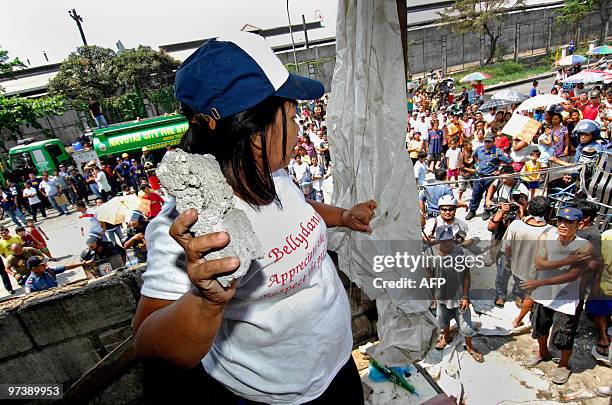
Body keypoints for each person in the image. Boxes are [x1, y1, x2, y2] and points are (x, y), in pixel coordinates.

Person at [133, 32, 375, 404]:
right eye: (293, 117)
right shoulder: (191, 226)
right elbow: (148, 345)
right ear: (256, 132)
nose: (299, 130)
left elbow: (298, 211)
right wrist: (206, 301)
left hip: (335, 365)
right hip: (272, 396)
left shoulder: (272, 173)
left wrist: (342, 216)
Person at [523, 208, 592, 385]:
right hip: (544, 295)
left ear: (579, 225)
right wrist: (568, 261)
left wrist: (546, 273)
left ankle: (563, 365)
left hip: (567, 298)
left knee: (565, 335)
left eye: (569, 222)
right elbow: (539, 262)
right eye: (560, 220)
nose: (563, 225)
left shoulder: (584, 245)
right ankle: (542, 352)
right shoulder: (548, 236)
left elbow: (572, 275)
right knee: (539, 327)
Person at [429, 225, 484, 363]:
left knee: (465, 325)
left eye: (449, 240)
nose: (447, 243)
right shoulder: (430, 254)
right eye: (443, 241)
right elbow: (429, 274)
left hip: (459, 298)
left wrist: (465, 297)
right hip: (441, 296)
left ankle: (470, 346)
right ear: (438, 240)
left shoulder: (462, 253)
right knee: (443, 321)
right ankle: (446, 337)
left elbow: (466, 276)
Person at [466, 133, 512, 220]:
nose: (487, 144)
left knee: (489, 195)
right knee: (475, 194)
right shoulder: (479, 149)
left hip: (490, 177)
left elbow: (509, 161)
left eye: (489, 142)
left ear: (493, 142)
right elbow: (474, 156)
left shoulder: (498, 152)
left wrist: (500, 171)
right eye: (485, 142)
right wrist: (477, 164)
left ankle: (486, 210)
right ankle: (472, 210)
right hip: (479, 176)